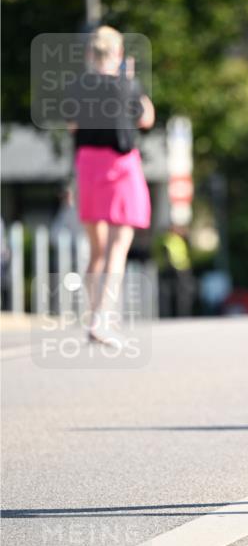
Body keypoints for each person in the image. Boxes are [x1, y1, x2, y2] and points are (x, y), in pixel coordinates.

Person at [67, 26, 154, 343]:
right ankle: (103, 318)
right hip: (120, 166)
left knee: (97, 250)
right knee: (118, 247)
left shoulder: (76, 85)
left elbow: (73, 126)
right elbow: (146, 119)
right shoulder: (127, 84)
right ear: (117, 54)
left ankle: (95, 316)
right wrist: (129, 81)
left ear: (90, 54)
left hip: (88, 166)